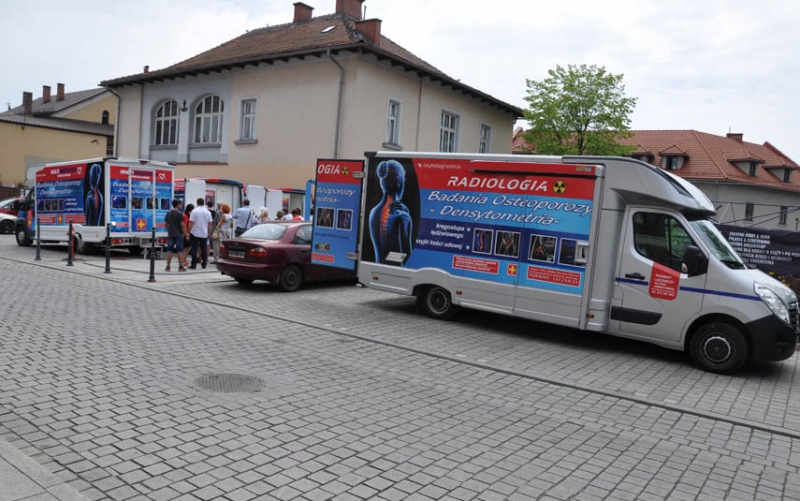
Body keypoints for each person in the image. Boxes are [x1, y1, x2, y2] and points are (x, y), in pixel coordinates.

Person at [187, 197, 213, 269]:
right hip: (204, 233)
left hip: (195, 232)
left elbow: (191, 222)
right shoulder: (208, 212)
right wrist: (209, 232)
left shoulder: (194, 211)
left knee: (194, 249)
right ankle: (204, 264)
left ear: (197, 203)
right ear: (203, 203)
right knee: (204, 249)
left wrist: (188, 232)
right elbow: (210, 224)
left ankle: (193, 264)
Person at [164, 199, 187, 272]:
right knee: (180, 250)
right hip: (179, 234)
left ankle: (168, 267)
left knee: (169, 250)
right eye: (180, 204)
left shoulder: (168, 213)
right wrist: (185, 234)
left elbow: (166, 224)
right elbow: (182, 225)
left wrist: (169, 230)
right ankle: (180, 267)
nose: (181, 206)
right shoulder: (180, 214)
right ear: (177, 205)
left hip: (171, 234)